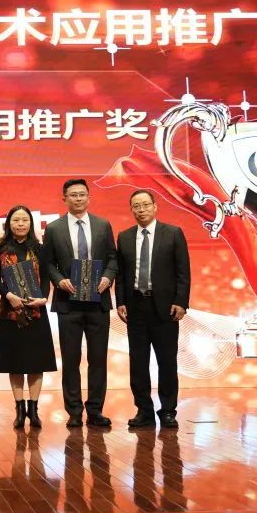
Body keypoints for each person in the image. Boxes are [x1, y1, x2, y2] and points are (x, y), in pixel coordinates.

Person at [41, 178, 118, 428]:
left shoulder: (102, 225)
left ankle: (95, 410)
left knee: (98, 359)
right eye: (73, 195)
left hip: (98, 302)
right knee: (71, 359)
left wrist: (107, 277)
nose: (78, 198)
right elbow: (48, 263)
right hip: (68, 303)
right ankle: (74, 410)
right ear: (64, 198)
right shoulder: (54, 228)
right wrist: (59, 280)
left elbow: (113, 258)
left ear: (89, 197)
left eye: (82, 194)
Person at [115, 189, 190, 429]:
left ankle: (167, 411)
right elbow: (121, 275)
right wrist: (120, 301)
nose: (142, 209)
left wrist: (181, 302)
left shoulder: (173, 233)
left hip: (165, 308)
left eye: (146, 204)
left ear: (155, 206)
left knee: (167, 361)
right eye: (136, 206)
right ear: (131, 210)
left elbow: (183, 272)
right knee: (138, 362)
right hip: (135, 307)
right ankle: (144, 410)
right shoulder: (125, 237)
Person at [0, 205, 56, 429]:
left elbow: (45, 278)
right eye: (16, 220)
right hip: (10, 312)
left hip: (36, 312)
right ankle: (19, 410)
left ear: (31, 224)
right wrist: (8, 295)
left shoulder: (40, 249)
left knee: (37, 362)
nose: (20, 224)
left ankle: (34, 411)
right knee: (15, 362)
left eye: (24, 220)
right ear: (9, 223)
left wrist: (43, 298)